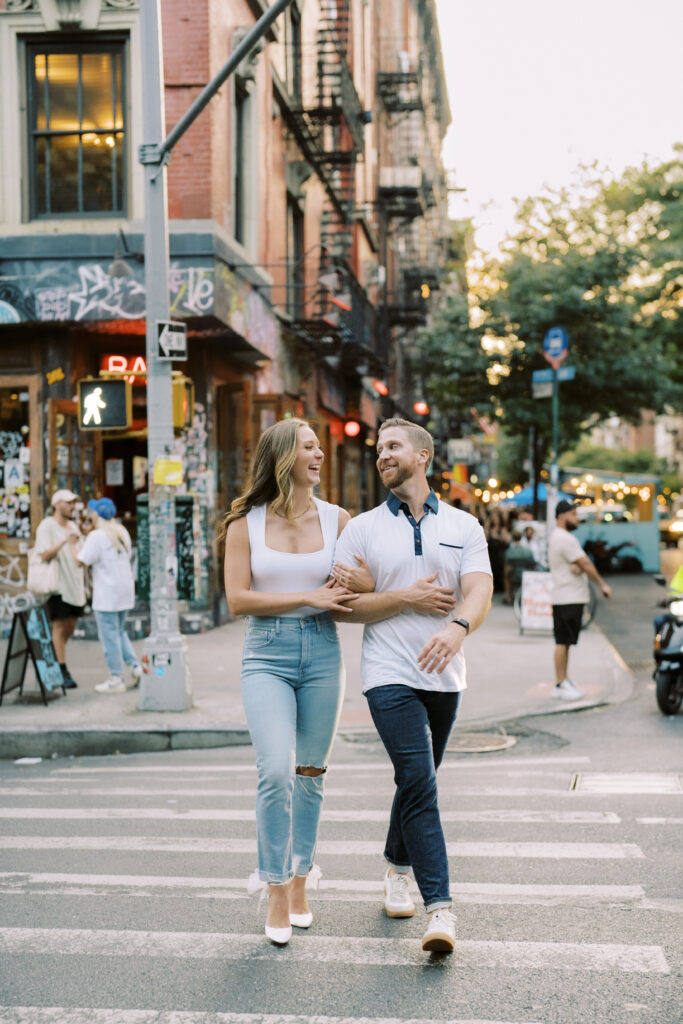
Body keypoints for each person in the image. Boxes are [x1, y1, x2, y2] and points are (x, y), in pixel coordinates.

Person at [332, 418, 493, 954]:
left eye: (393, 447)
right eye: (379, 449)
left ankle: (397, 866)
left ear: (423, 456)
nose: (382, 456)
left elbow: (478, 591)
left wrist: (457, 627)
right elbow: (345, 606)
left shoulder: (465, 527)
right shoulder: (361, 529)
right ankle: (441, 911)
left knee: (414, 780)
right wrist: (405, 598)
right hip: (388, 674)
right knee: (421, 782)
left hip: (445, 677)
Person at [222, 418, 370, 947]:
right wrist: (308, 596)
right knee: (275, 770)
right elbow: (238, 599)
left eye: (319, 447)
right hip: (266, 653)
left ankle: (303, 878)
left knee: (309, 772)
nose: (319, 454)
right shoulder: (246, 523)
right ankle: (277, 888)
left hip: (323, 653)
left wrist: (357, 585)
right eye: (308, 447)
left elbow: (362, 584)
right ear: (283, 456)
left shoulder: (339, 520)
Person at [75, 498, 141, 694]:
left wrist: (71, 545)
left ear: (97, 515)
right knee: (119, 632)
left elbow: (81, 561)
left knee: (110, 637)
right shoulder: (122, 532)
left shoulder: (97, 536)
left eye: (93, 512)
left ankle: (116, 678)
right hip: (124, 591)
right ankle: (135, 667)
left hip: (107, 594)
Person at [548, 499, 612, 700]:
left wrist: (577, 567)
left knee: (565, 642)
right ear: (562, 516)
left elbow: (577, 564)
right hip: (567, 598)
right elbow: (585, 562)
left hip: (567, 597)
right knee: (562, 641)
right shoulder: (564, 538)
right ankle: (559, 683)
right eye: (573, 514)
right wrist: (602, 584)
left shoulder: (560, 538)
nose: (577, 518)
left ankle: (564, 680)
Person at [33, 489, 86, 689]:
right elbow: (44, 555)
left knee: (71, 625)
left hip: (75, 585)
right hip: (57, 584)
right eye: (68, 503)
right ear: (57, 504)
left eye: (74, 503)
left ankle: (56, 661)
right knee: (60, 625)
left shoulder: (73, 525)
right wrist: (64, 542)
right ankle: (61, 669)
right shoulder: (47, 526)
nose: (72, 507)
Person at [502, 529, 537, 604]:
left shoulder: (509, 552)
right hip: (525, 574)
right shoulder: (527, 551)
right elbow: (533, 564)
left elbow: (506, 566)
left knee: (506, 575)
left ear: (512, 538)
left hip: (514, 575)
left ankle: (508, 596)